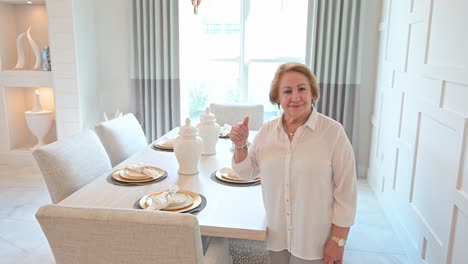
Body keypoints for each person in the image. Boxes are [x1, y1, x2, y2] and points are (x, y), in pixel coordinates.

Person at [229, 62, 357, 264]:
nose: (295, 97)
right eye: (287, 91)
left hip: (315, 242)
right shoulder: (266, 132)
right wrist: (240, 146)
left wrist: (338, 240)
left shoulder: (333, 132)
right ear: (277, 99)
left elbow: (347, 192)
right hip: (277, 236)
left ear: (312, 93)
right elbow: (247, 173)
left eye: (302, 89)